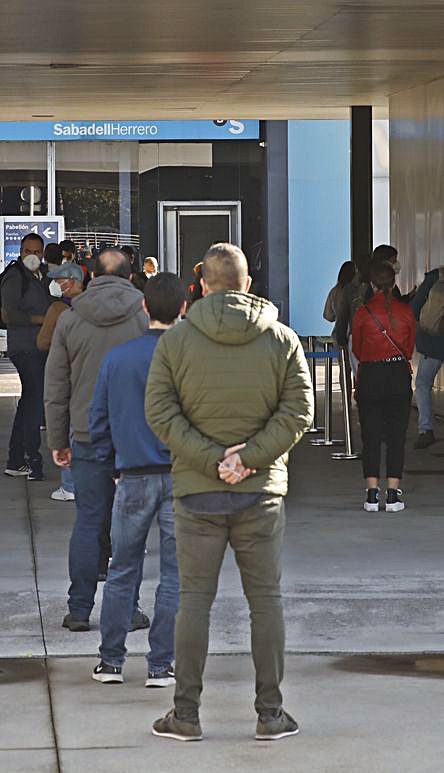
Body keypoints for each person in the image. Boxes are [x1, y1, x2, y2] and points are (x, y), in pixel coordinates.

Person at [146, 242, 313, 742]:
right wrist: (249, 458)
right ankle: (270, 713)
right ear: (248, 283)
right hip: (260, 492)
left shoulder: (175, 342)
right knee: (265, 602)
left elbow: (160, 413)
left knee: (194, 601)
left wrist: (211, 459)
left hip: (197, 493)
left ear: (201, 285)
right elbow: (299, 412)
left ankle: (186, 715)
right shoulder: (282, 339)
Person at [44, 249, 149, 632]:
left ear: (90, 276)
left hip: (86, 436)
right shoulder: (142, 318)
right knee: (130, 526)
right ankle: (128, 608)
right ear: (130, 275)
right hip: (132, 441)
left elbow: (56, 386)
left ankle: (78, 609)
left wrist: (58, 439)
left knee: (88, 522)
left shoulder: (71, 320)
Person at [89, 273, 186, 686]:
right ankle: (161, 665)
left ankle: (111, 661)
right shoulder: (190, 357)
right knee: (175, 575)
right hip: (181, 478)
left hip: (131, 475)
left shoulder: (117, 357)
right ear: (184, 308)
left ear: (144, 307)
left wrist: (109, 463)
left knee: (122, 568)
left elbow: (99, 421)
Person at [352, 262, 416, 513]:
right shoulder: (406, 312)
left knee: (371, 436)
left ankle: (370, 494)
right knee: (396, 437)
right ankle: (392, 494)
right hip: (397, 374)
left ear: (372, 285)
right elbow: (409, 349)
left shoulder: (362, 312)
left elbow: (357, 348)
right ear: (394, 284)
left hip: (371, 376)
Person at [1, 233, 51, 480]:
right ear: (20, 252)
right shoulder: (14, 277)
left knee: (29, 401)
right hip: (24, 348)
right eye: (28, 251)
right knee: (33, 402)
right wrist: (44, 320)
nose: (33, 256)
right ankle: (32, 458)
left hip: (39, 346)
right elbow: (12, 315)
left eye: (37, 252)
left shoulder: (40, 277)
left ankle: (16, 459)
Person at [37, 263, 84, 501]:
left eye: (59, 280)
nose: (56, 284)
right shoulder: (94, 307)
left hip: (66, 373)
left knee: (68, 427)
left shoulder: (58, 309)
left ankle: (69, 484)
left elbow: (42, 342)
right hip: (90, 376)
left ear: (70, 281)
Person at [411, 267, 444, 448]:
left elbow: (414, 307)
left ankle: (426, 430)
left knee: (423, 384)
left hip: (433, 342)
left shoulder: (434, 277)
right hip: (434, 342)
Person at [323, 260, 356, 324]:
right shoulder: (357, 290)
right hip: (354, 330)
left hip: (339, 331)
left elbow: (328, 316)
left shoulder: (334, 292)